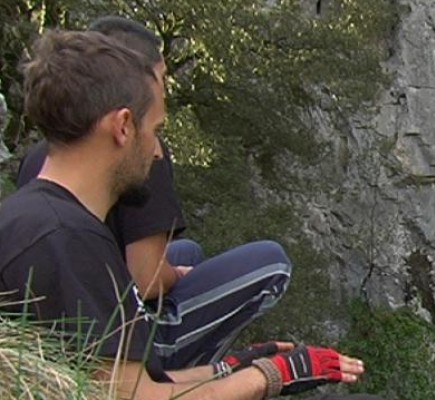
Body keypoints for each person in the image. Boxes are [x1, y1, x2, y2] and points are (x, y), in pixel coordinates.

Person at [0, 30, 408, 400]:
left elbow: (121, 393)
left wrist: (229, 367)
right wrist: (270, 373)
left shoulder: (40, 217)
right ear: (122, 126)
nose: (157, 149)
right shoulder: (63, 241)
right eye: (155, 129)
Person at [16, 15, 292, 372]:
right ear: (124, 121)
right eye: (161, 78)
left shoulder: (47, 157)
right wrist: (178, 276)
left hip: (64, 316)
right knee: (272, 263)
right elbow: (145, 280)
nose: (164, 90)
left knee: (187, 250)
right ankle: (191, 373)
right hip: (119, 338)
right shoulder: (137, 154)